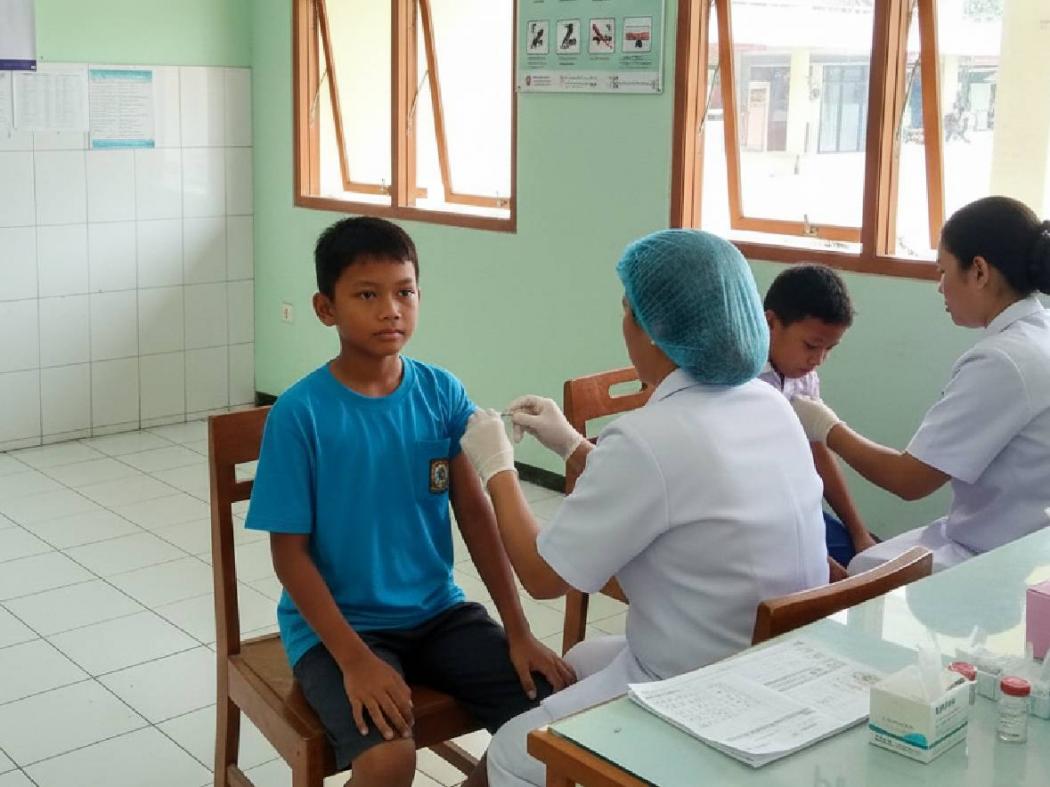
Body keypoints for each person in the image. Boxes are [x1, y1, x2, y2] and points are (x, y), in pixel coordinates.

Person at [459, 229, 829, 787]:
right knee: (578, 659)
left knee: (514, 750)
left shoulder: (646, 437)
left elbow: (542, 576)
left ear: (654, 332)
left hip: (701, 689)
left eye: (628, 312)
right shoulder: (769, 404)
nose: (624, 326)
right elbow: (673, 491)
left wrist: (497, 469)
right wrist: (572, 445)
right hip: (771, 661)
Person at [245, 217, 573, 787]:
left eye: (405, 292)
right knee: (390, 760)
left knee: (549, 725)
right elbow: (289, 557)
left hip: (438, 614)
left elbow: (476, 516)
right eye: (367, 295)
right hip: (340, 630)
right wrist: (354, 660)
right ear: (326, 308)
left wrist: (518, 630)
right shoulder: (300, 414)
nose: (390, 310)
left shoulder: (442, 393)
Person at [793, 196, 1050, 574]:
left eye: (943, 271)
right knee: (864, 561)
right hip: (1015, 542)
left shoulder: (1003, 361)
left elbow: (908, 481)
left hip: (996, 555)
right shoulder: (1037, 337)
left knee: (861, 572)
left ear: (979, 271)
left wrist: (825, 426)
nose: (940, 287)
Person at [761, 264, 876, 568]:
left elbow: (818, 451)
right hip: (762, 516)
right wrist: (818, 559)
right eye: (811, 345)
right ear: (770, 322)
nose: (818, 360)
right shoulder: (743, 382)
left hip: (798, 506)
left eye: (830, 349)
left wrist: (859, 531)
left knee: (865, 557)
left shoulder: (803, 377)